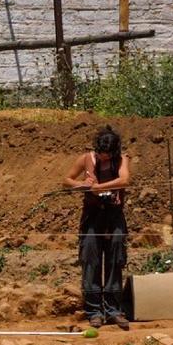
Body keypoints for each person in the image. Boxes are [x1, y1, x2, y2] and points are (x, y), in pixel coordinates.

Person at [64, 126, 131, 330]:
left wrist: (98, 188)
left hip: (114, 216)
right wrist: (83, 185)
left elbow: (125, 179)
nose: (102, 158)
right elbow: (67, 180)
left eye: (106, 155)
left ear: (114, 152)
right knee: (91, 260)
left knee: (114, 259)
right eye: (100, 155)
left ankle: (113, 310)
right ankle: (94, 311)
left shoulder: (122, 159)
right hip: (92, 218)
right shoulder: (86, 158)